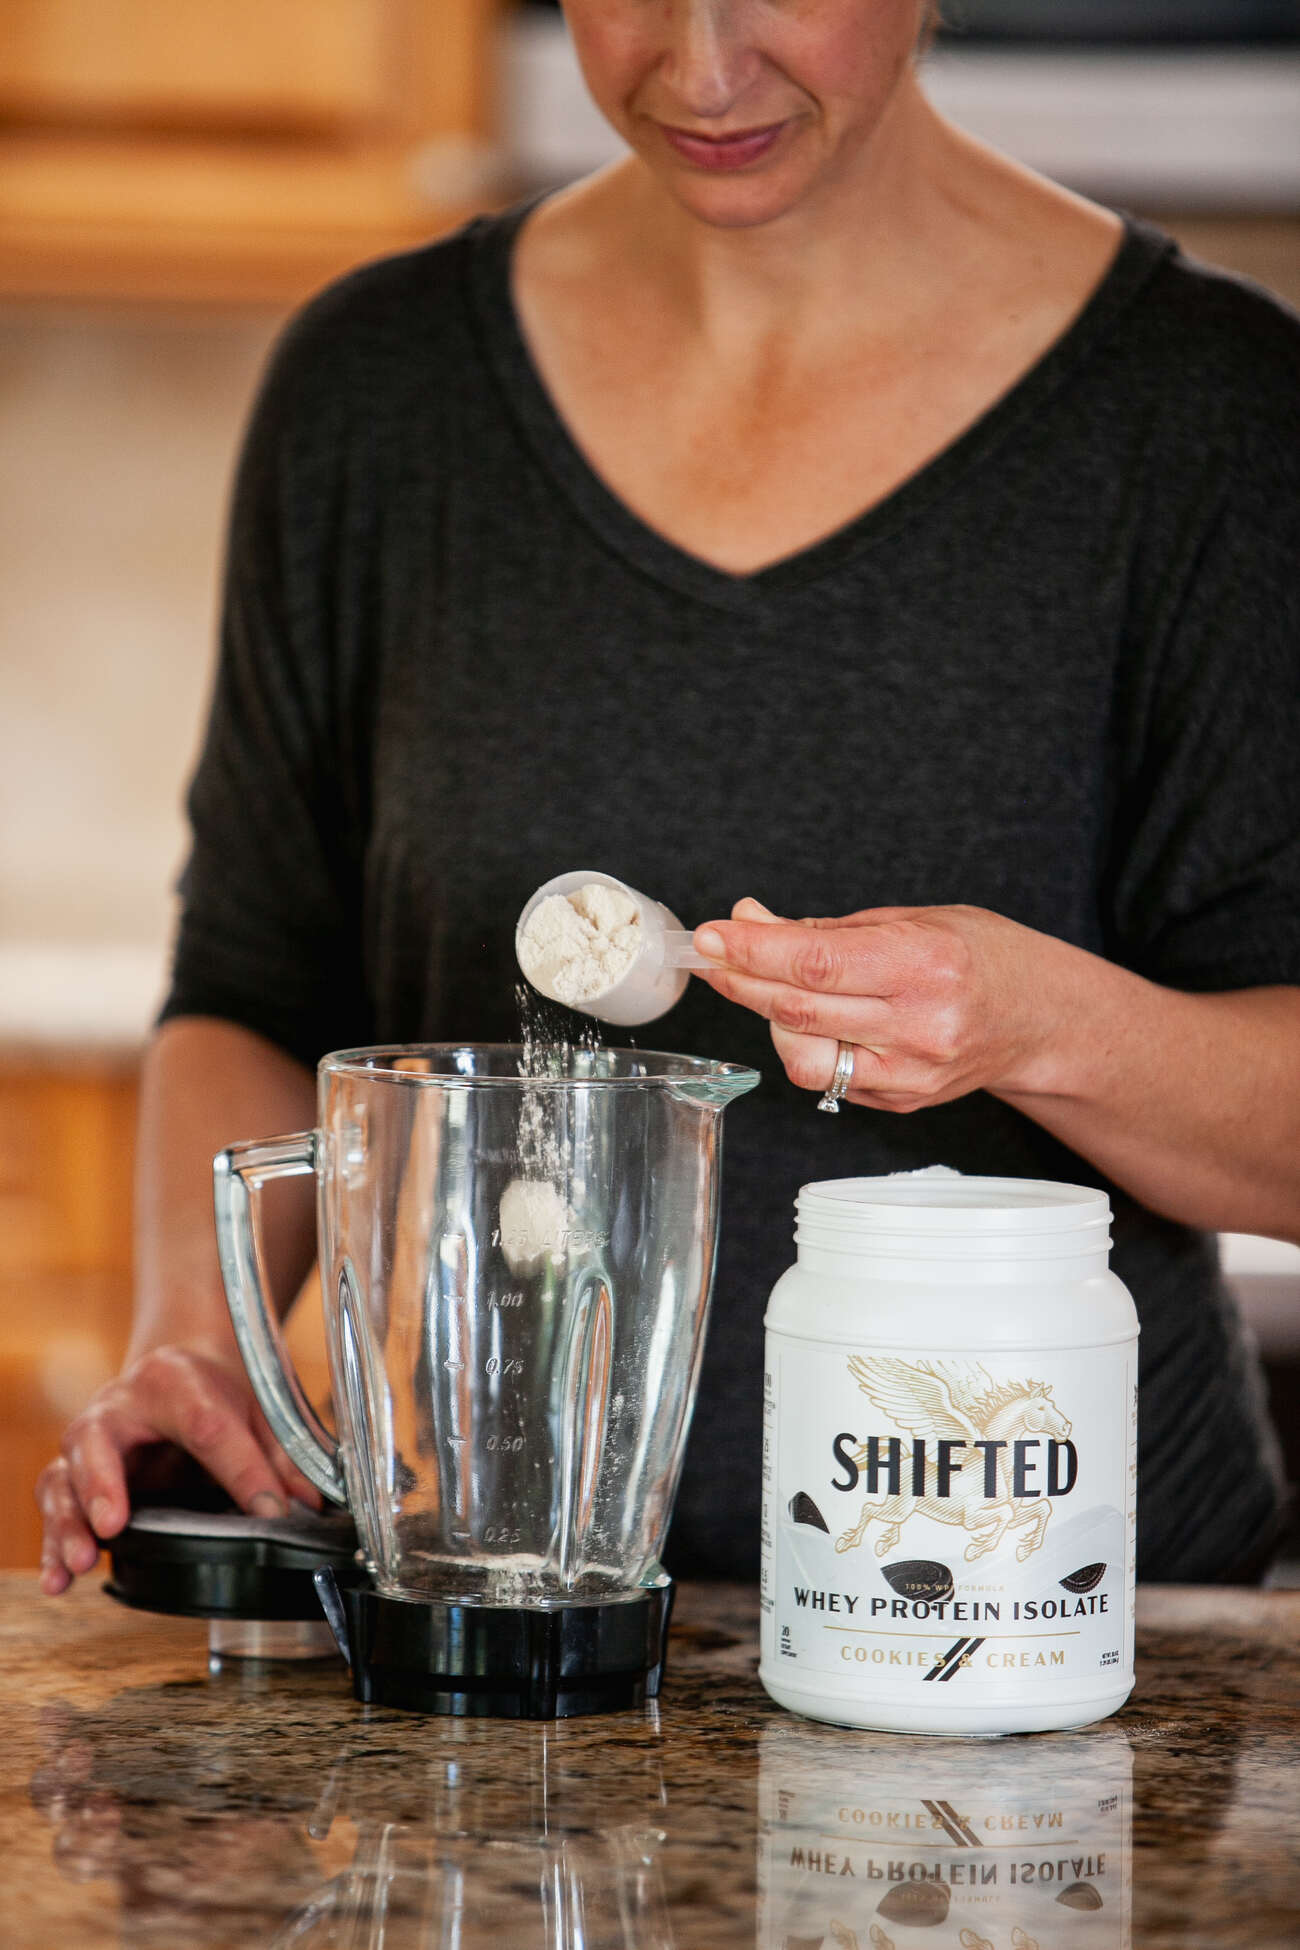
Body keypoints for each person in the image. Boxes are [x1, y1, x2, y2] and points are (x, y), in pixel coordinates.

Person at [39, 0, 1300, 1595]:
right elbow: (250, 990)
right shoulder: (378, 395)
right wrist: (195, 1350)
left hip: (1059, 1644)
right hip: (496, 1613)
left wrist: (1027, 1022)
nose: (699, 71)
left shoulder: (1211, 418)